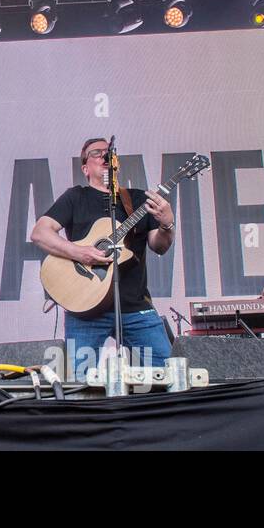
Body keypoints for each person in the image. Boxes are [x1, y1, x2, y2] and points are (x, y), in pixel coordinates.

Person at [30, 138, 176, 379]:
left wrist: (167, 223)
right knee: (81, 382)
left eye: (108, 153)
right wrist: (80, 252)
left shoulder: (138, 200)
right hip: (85, 309)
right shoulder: (76, 197)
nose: (103, 156)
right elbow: (40, 233)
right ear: (85, 168)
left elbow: (159, 246)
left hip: (134, 305)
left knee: (167, 375)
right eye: (96, 153)